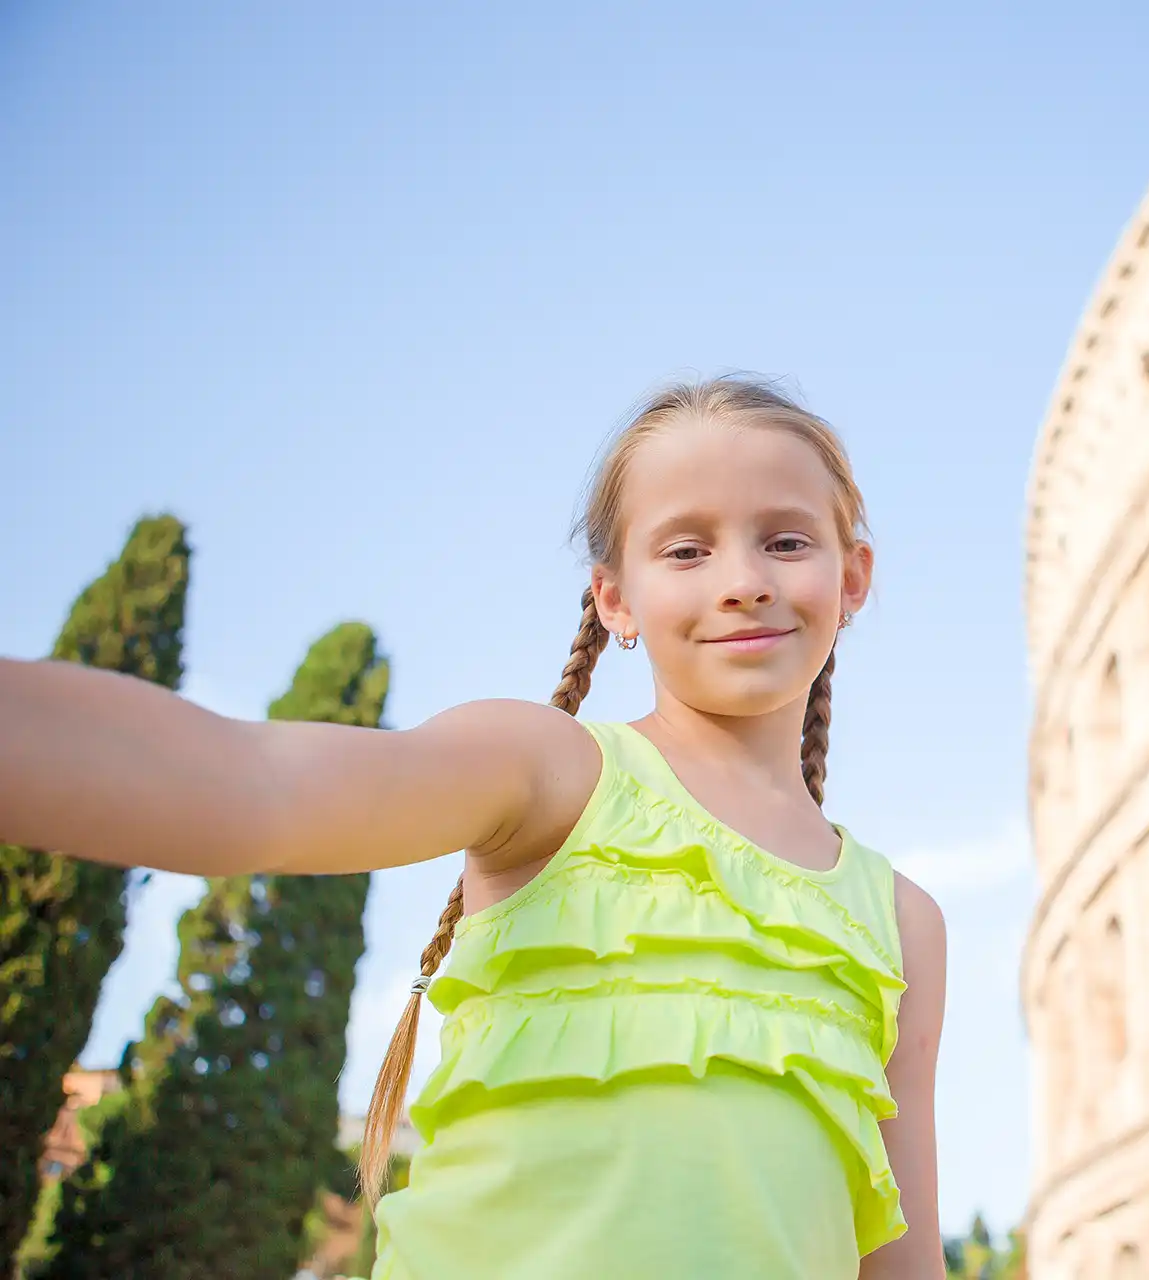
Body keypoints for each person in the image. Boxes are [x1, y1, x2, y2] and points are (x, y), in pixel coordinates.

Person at [0, 377, 948, 1279]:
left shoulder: (903, 922)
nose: (742, 580)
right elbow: (257, 786)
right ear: (612, 598)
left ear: (853, 576)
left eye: (785, 541)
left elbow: (900, 1257)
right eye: (686, 550)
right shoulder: (547, 768)